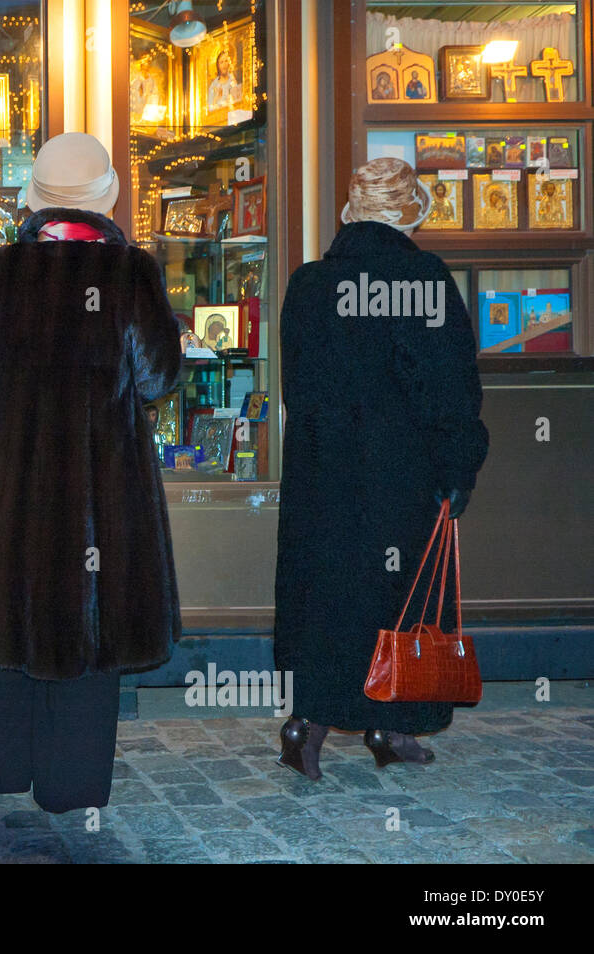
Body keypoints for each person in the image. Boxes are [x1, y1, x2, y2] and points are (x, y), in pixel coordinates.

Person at [0, 132, 183, 812]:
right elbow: (158, 374)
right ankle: (69, 784)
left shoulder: (0, 271)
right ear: (104, 197)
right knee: (92, 626)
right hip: (105, 482)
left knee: (13, 619)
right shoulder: (129, 272)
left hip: (19, 476)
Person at [274, 157, 489, 780]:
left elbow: (300, 388)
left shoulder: (310, 282)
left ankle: (305, 727)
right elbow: (450, 389)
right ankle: (390, 725)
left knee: (326, 596)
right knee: (402, 597)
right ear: (408, 212)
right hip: (399, 472)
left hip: (322, 473)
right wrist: (458, 465)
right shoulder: (421, 277)